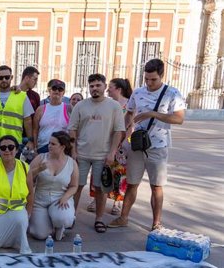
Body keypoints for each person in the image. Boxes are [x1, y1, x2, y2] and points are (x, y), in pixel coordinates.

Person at [109, 59, 186, 231]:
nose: (149, 83)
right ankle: (124, 217)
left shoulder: (172, 93)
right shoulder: (138, 92)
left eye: (153, 79)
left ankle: (156, 223)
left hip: (158, 145)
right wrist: (127, 128)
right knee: (131, 183)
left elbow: (179, 118)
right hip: (137, 144)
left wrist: (153, 114)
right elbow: (129, 113)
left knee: (156, 186)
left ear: (161, 76)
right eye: (147, 79)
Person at [68, 73, 126, 233]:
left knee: (100, 188)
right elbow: (72, 129)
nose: (94, 89)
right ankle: (70, 216)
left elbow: (118, 131)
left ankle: (99, 219)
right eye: (91, 86)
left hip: (103, 156)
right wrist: (73, 151)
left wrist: (112, 152)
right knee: (76, 186)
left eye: (98, 85)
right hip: (82, 154)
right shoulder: (81, 106)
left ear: (104, 86)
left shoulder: (114, 106)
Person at [88, 78, 133, 215]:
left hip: (122, 144)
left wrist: (122, 144)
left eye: (111, 88)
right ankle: (96, 198)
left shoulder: (129, 105)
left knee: (119, 172)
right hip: (104, 142)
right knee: (100, 170)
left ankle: (117, 202)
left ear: (119, 89)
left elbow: (130, 126)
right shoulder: (107, 103)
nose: (108, 90)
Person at [28, 131, 79, 241]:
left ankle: (64, 222)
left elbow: (74, 186)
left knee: (64, 218)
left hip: (59, 198)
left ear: (63, 147)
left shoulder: (72, 163)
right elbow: (25, 178)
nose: (49, 146)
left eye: (53, 144)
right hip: (40, 201)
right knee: (40, 234)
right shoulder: (41, 158)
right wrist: (38, 170)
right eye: (49, 143)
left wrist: (65, 197)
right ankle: (50, 225)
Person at [0, 65, 35, 161]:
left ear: (11, 77)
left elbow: (27, 120)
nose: (4, 80)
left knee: (12, 173)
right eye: (1, 77)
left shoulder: (21, 96)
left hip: (14, 142)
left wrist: (30, 140)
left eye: (7, 77)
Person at [32, 79, 71, 154]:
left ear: (63, 93)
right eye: (54, 88)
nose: (57, 91)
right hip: (42, 147)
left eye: (60, 89)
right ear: (49, 91)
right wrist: (35, 147)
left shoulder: (68, 109)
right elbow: (35, 130)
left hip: (61, 148)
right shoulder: (40, 109)